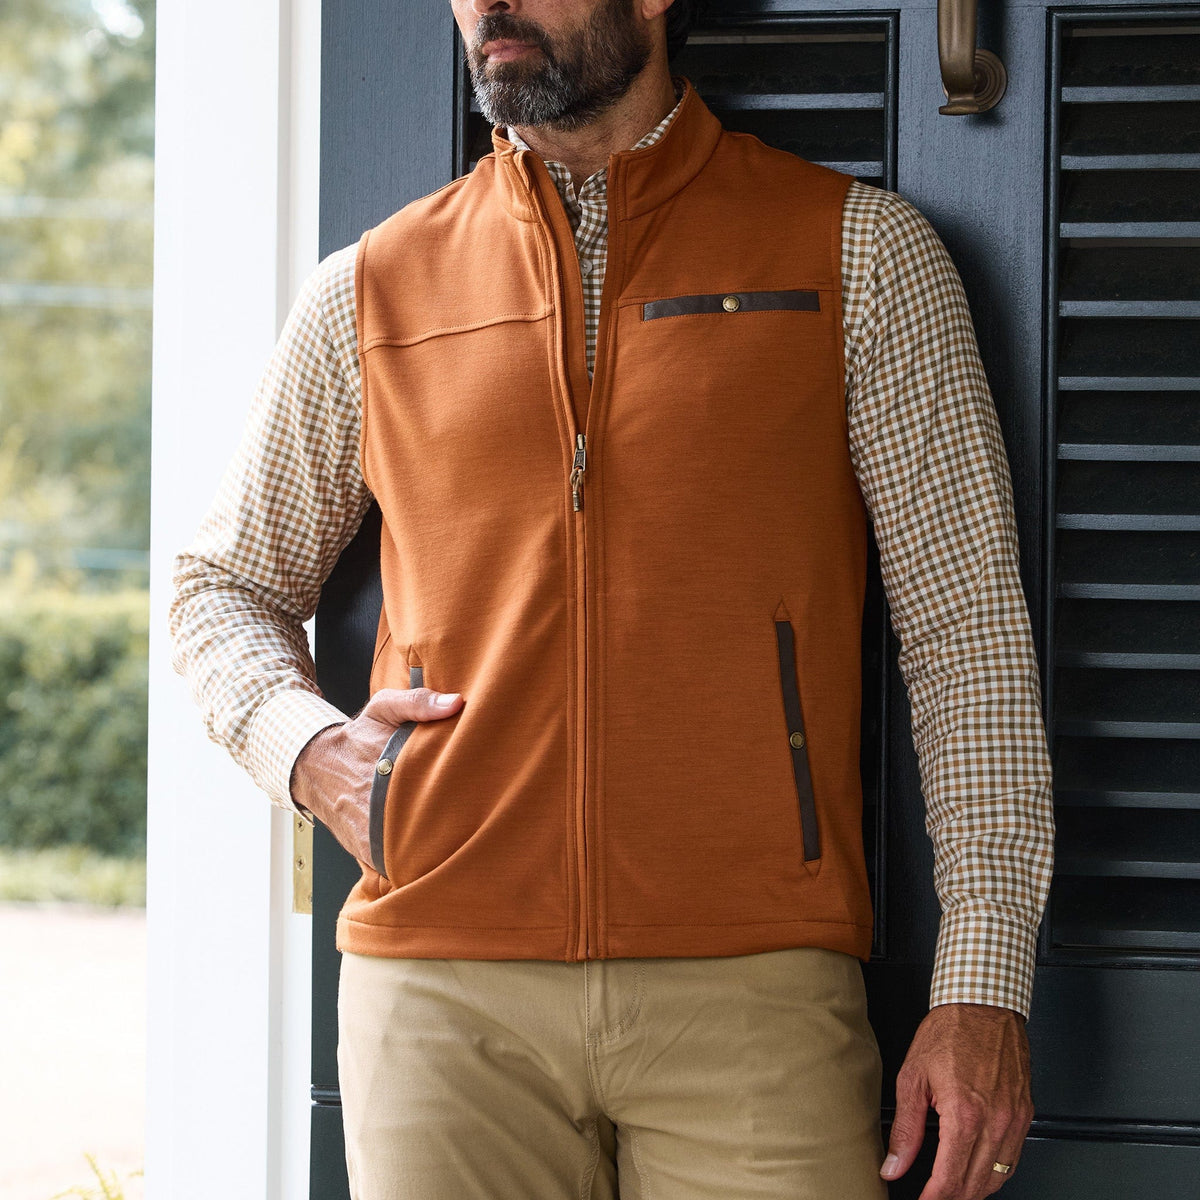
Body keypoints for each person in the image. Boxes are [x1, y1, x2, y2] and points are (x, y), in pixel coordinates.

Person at [169, 1, 1055, 1197]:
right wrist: (314, 753)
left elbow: (969, 640)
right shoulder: (369, 291)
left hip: (755, 998)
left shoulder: (857, 255)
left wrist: (984, 983)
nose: (490, 4)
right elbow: (220, 588)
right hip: (441, 1004)